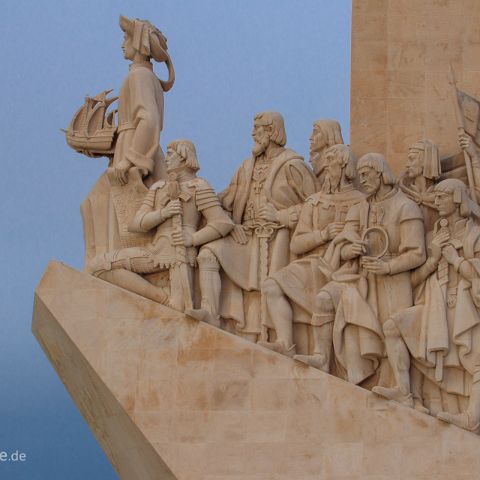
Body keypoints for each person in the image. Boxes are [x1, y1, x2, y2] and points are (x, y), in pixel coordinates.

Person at [187, 112, 316, 338]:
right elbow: (226, 198)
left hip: (278, 239)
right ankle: (210, 312)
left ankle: (280, 340)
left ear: (272, 131)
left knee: (270, 291)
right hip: (246, 237)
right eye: (254, 128)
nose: (253, 133)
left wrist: (281, 215)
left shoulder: (293, 165)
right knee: (208, 252)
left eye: (258, 129)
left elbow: (316, 204)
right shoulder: (246, 167)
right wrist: (228, 220)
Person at [373, 179, 480, 432]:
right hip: (435, 305)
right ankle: (404, 391)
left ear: (456, 199)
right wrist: (432, 259)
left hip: (463, 304)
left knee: (476, 362)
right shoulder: (435, 235)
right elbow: (414, 280)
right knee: (392, 327)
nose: (437, 202)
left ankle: (472, 417)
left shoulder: (474, 234)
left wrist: (455, 260)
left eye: (442, 197)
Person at [313, 153, 426, 385]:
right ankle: (322, 358)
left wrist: (388, 267)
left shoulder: (406, 207)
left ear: (381, 173)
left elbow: (417, 253)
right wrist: (351, 250)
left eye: (366, 174)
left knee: (392, 333)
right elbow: (344, 246)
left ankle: (402, 389)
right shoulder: (359, 208)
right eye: (360, 175)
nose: (362, 180)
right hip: (361, 277)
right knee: (324, 298)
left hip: (393, 279)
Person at [86, 140, 233, 311]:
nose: (166, 159)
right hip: (155, 250)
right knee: (99, 265)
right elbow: (136, 224)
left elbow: (222, 223)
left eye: (171, 154)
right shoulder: (158, 187)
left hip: (180, 253)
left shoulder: (198, 187)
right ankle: (162, 297)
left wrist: (192, 239)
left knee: (180, 307)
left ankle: (171, 302)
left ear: (184, 157)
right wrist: (163, 213)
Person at [81, 15, 175, 264]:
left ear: (139, 42)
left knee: (102, 206)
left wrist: (131, 160)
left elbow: (149, 120)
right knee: (97, 205)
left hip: (136, 154)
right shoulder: (143, 76)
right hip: (130, 147)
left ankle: (107, 269)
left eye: (126, 37)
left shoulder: (140, 77)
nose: (122, 43)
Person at [259, 144, 364, 365]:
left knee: (323, 299)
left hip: (345, 267)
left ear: (344, 167)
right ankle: (285, 343)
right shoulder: (314, 201)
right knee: (271, 286)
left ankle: (321, 355)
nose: (325, 170)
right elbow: (296, 244)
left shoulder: (361, 202)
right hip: (314, 263)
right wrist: (323, 234)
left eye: (331, 164)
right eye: (325, 165)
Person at [399, 139, 441, 233]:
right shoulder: (402, 195)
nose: (407, 165)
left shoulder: (441, 196)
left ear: (426, 160)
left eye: (412, 159)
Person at [309, 119, 344, 188]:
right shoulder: (316, 161)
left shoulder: (337, 161)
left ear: (329, 134)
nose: (311, 137)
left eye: (315, 132)